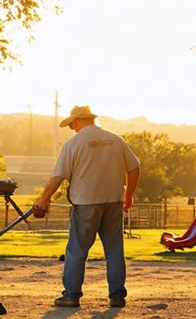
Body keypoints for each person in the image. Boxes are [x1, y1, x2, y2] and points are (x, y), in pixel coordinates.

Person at [33, 105, 140, 308]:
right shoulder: (116, 140)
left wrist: (43, 199)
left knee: (77, 251)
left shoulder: (73, 143)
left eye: (72, 125)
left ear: (76, 121)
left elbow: (58, 177)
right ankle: (117, 296)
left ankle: (72, 294)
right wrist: (129, 195)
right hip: (113, 200)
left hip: (85, 202)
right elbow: (134, 168)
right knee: (115, 250)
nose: (72, 129)